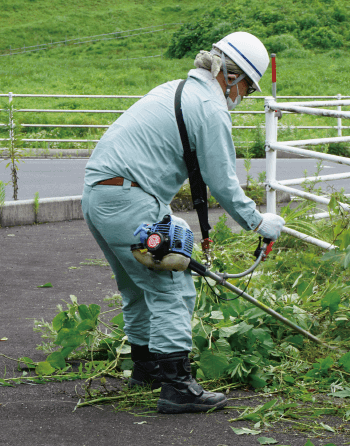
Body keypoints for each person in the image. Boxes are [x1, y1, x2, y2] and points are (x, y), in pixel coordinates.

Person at [81, 31, 285, 414]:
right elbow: (221, 181)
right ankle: (177, 386)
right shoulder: (209, 107)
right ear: (230, 75)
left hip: (99, 195)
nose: (245, 96)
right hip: (129, 199)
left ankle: (146, 369)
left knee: (137, 286)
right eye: (248, 88)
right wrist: (259, 223)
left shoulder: (175, 89)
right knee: (171, 286)